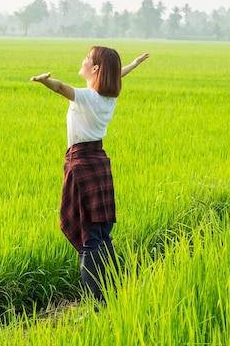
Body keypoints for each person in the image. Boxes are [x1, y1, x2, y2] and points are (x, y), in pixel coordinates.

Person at [30, 46, 149, 307]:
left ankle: (99, 304)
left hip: (82, 164)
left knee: (90, 241)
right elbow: (118, 76)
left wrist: (45, 81)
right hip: (99, 162)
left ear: (95, 69)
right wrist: (134, 64)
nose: (82, 61)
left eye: (87, 59)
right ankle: (114, 294)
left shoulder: (86, 97)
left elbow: (62, 88)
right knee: (103, 236)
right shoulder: (107, 98)